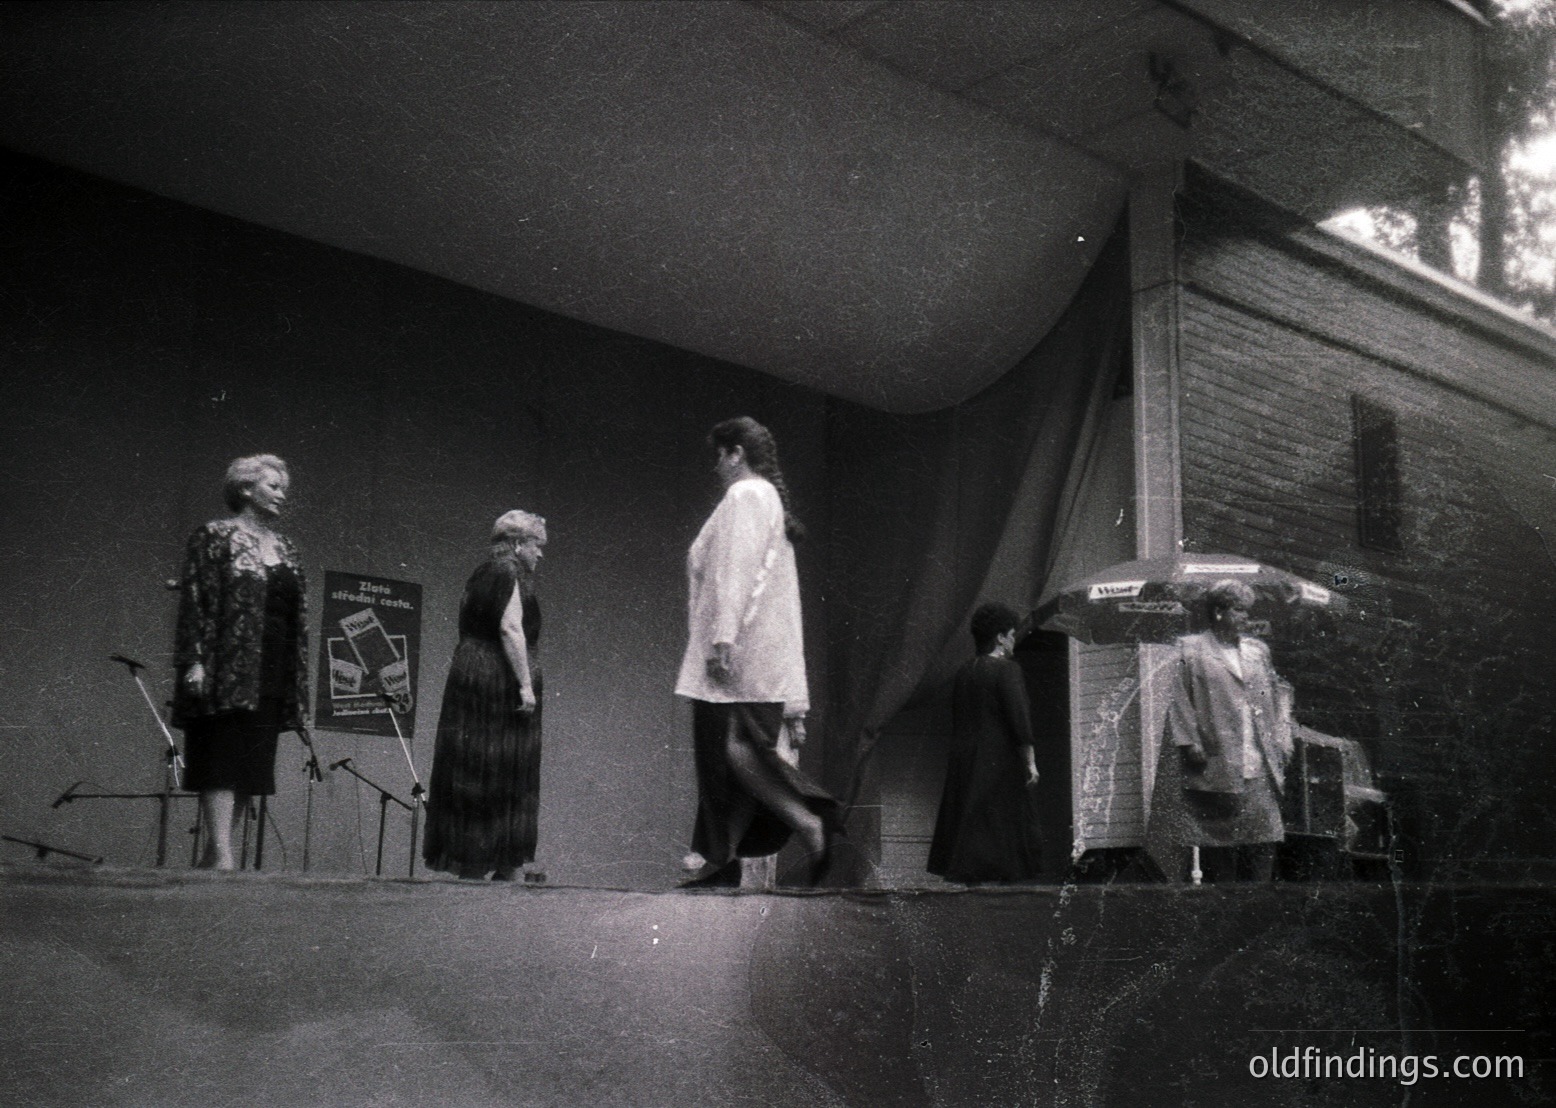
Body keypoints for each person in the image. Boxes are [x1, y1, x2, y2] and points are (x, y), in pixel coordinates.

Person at [676, 417, 842, 887]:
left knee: (732, 749)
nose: (716, 466)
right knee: (735, 751)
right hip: (757, 652)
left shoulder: (746, 496)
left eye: (720, 455)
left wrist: (723, 637)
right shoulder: (765, 499)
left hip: (739, 653)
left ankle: (810, 821)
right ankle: (725, 857)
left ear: (736, 454)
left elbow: (736, 568)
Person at [173, 454, 309, 871]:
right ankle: (225, 856)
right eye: (274, 486)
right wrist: (194, 661)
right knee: (221, 756)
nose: (282, 495)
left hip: (272, 666)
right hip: (226, 662)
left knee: (250, 763)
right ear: (246, 489)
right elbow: (196, 599)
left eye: (284, 488)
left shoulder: (285, 546)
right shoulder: (215, 535)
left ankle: (216, 853)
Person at [423, 510, 547, 880]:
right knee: (494, 770)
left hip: (473, 675)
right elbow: (510, 628)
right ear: (518, 543)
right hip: (495, 682)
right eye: (537, 546)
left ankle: (485, 867)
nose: (540, 555)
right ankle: (488, 865)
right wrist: (525, 684)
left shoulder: (480, 574)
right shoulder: (507, 573)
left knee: (477, 770)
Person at [1167, 578, 1293, 882]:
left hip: (1259, 761)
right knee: (1219, 847)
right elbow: (1178, 696)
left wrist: (1282, 735)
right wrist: (1188, 740)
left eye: (1248, 611)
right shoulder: (1191, 648)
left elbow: (1276, 695)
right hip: (1216, 760)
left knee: (1264, 842)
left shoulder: (1257, 651)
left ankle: (1259, 908)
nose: (1246, 618)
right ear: (1219, 611)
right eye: (1239, 610)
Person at [927, 603, 1043, 884]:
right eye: (1012, 634)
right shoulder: (1007, 670)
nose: (1015, 640)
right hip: (999, 765)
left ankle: (974, 896)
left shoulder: (964, 672)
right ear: (1001, 638)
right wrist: (1030, 763)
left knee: (972, 832)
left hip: (966, 765)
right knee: (1004, 834)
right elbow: (1020, 723)